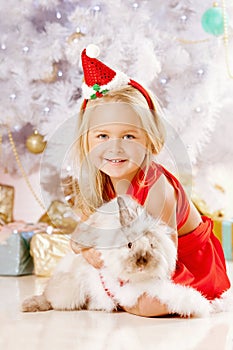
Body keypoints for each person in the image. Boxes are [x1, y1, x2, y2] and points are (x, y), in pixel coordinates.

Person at [70, 44, 231, 317]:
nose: (115, 148)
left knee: (147, 305)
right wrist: (85, 250)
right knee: (82, 282)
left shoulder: (155, 188)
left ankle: (132, 296)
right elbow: (78, 237)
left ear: (150, 140)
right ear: (86, 142)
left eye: (129, 136)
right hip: (133, 262)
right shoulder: (99, 181)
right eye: (102, 136)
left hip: (183, 263)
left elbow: (164, 262)